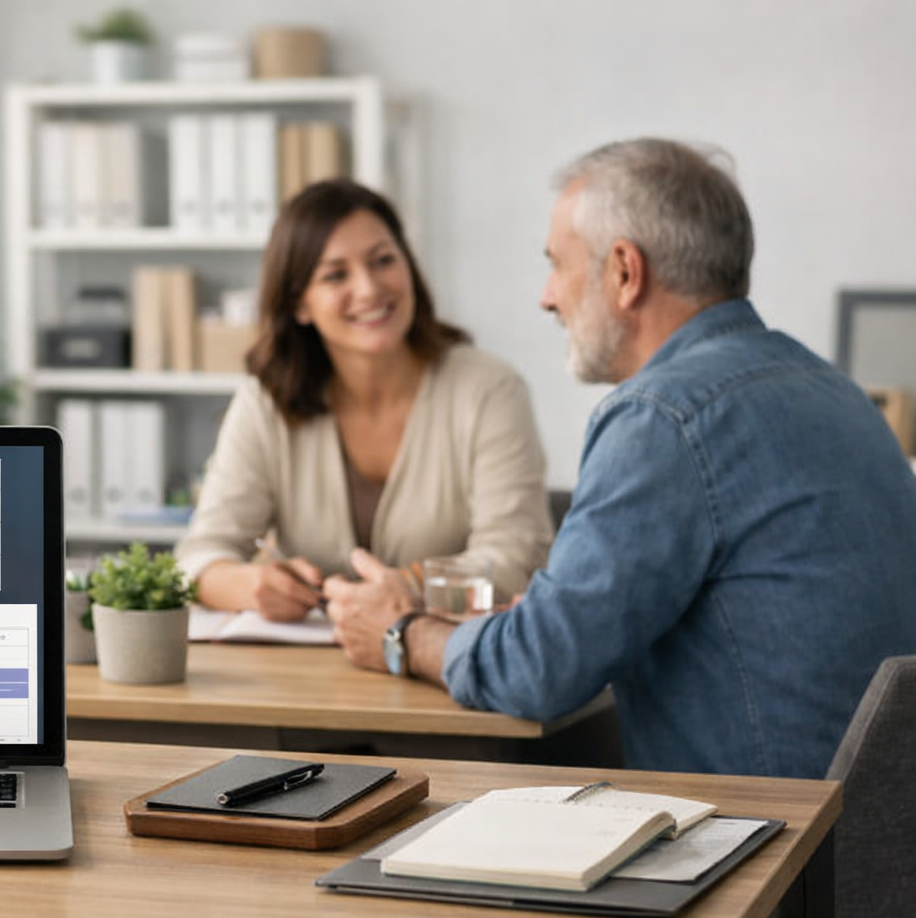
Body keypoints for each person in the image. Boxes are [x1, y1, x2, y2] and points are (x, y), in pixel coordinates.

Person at [324, 138, 916, 778]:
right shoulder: (834, 388)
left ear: (625, 273)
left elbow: (540, 670)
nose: (547, 297)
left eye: (557, 264)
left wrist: (400, 633)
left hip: (774, 851)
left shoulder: (663, 416)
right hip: (875, 847)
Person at [174, 178, 553, 622]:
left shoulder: (489, 391)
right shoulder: (266, 401)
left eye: (383, 261)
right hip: (304, 679)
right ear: (299, 304)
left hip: (442, 666)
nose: (370, 289)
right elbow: (198, 556)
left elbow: (516, 557)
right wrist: (252, 586)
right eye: (336, 274)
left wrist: (406, 589)